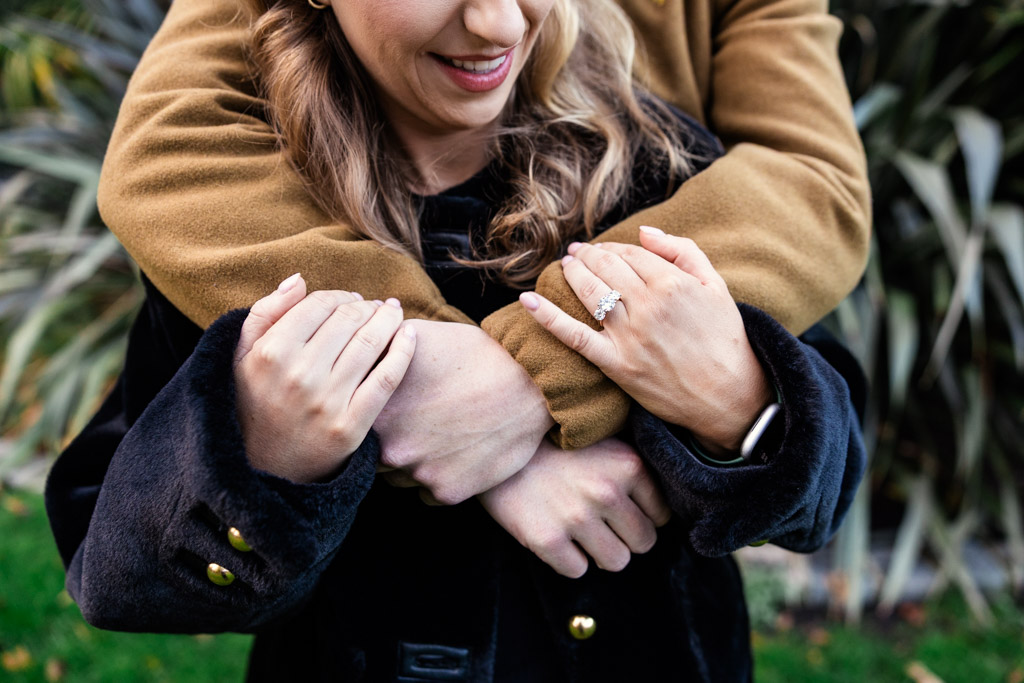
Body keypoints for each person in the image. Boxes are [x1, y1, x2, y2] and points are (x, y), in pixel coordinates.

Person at [46, 0, 867, 681]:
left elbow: (819, 493)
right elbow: (121, 572)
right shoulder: (259, 223)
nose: (500, 23)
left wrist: (735, 406)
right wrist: (271, 457)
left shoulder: (661, 171)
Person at [93, 0, 872, 452]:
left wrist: (529, 380)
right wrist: (416, 374)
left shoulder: (665, 160)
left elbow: (814, 183)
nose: (497, 23)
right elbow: (173, 147)